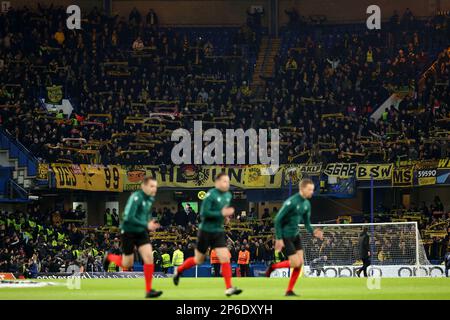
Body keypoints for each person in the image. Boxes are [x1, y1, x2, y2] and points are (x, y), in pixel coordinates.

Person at [173, 173, 242, 296]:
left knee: (225, 257)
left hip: (218, 231)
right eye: (224, 181)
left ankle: (229, 287)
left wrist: (226, 218)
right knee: (198, 260)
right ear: (217, 183)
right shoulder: (210, 195)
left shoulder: (227, 196)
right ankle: (179, 270)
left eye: (228, 182)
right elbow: (204, 214)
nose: (226, 184)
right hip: (205, 231)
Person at [103, 177, 163, 298]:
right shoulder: (136, 197)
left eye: (155, 186)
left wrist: (149, 223)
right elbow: (129, 217)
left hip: (140, 231)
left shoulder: (149, 199)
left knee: (149, 258)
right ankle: (109, 257)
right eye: (152, 186)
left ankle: (148, 290)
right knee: (127, 263)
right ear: (144, 186)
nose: (154, 189)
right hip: (128, 231)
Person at [265, 178, 323, 296]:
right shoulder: (291, 202)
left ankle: (289, 290)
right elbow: (277, 220)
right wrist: (279, 238)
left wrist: (313, 232)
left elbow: (306, 223)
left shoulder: (306, 204)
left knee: (299, 263)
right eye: (310, 189)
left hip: (296, 235)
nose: (312, 192)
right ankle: (273, 267)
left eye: (313, 189)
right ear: (302, 189)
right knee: (295, 262)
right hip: (286, 237)